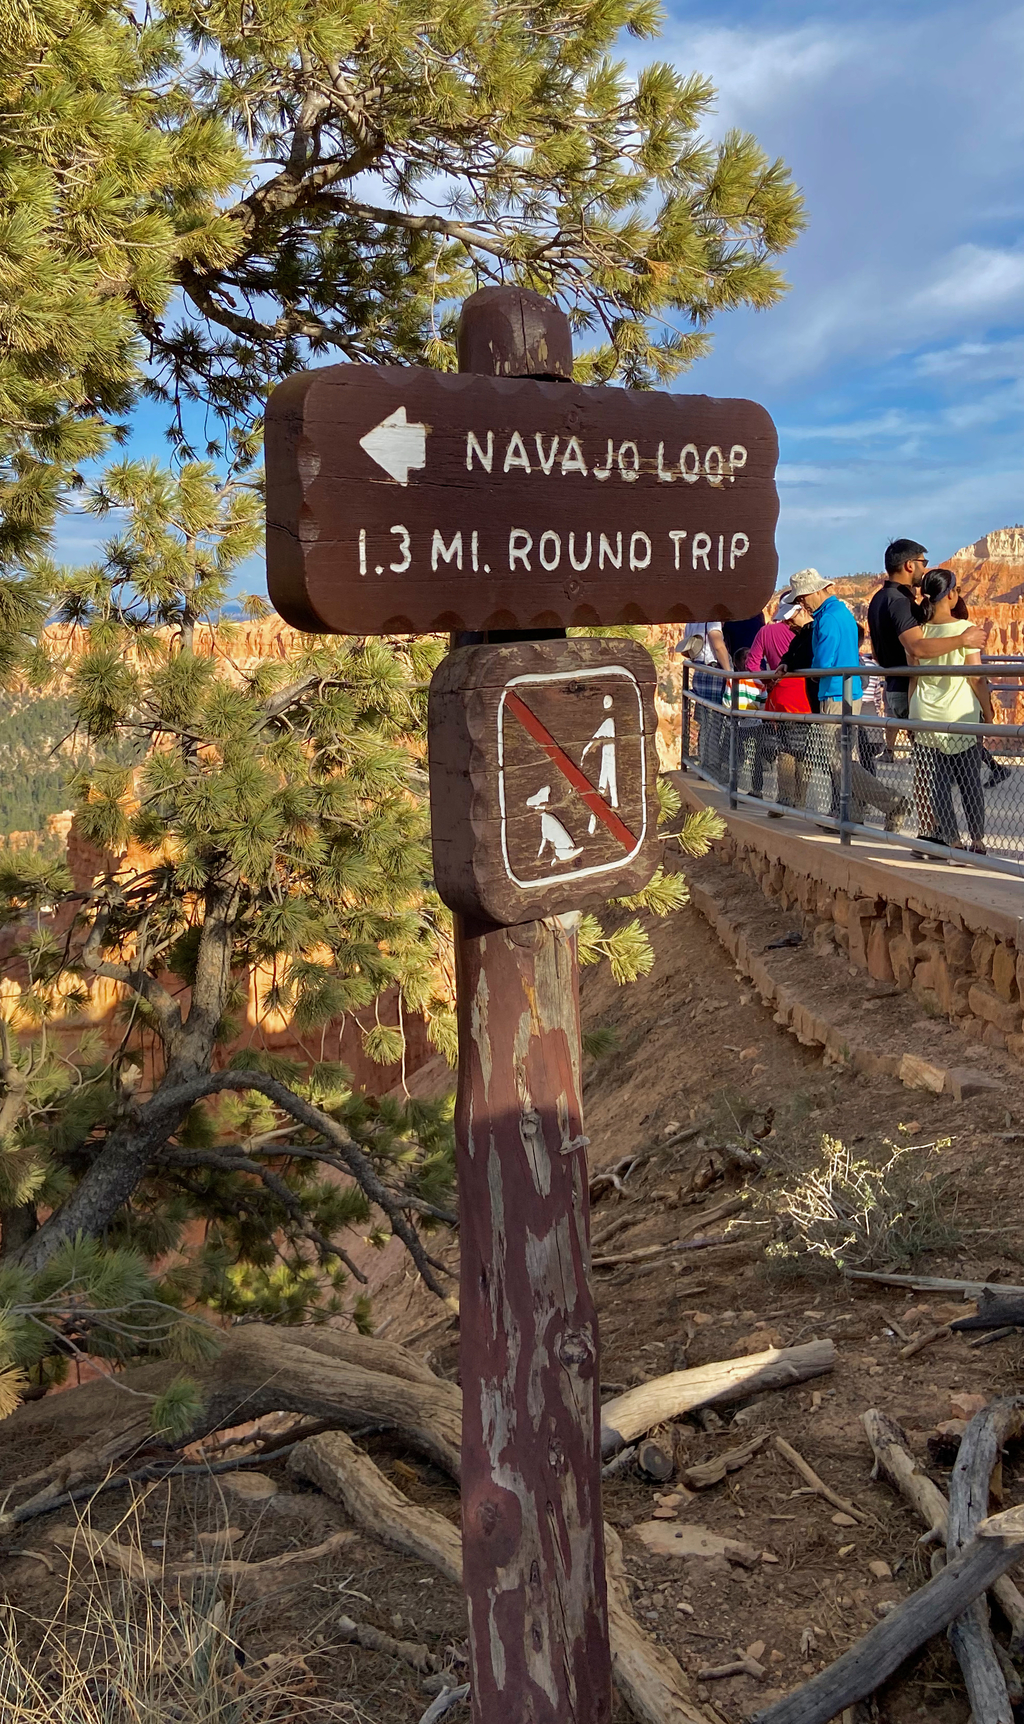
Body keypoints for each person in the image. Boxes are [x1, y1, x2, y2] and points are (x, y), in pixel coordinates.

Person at [788, 568, 910, 830]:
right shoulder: (839, 613)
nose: (802, 604)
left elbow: (823, 662)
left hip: (834, 693)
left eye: (802, 598)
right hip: (847, 691)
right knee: (845, 757)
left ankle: (893, 802)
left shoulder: (828, 619)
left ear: (816, 591)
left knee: (837, 761)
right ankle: (851, 813)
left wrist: (809, 673)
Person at [867, 538, 987, 741]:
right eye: (924, 562)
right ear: (910, 565)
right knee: (930, 758)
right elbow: (917, 648)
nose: (925, 569)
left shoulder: (878, 599)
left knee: (927, 758)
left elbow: (877, 653)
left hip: (893, 686)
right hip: (909, 690)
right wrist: (963, 640)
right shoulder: (900, 602)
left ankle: (993, 767)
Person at [909, 568, 993, 859]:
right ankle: (978, 841)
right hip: (960, 717)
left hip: (924, 715)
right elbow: (976, 677)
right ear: (953, 593)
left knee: (937, 784)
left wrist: (910, 717)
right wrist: (989, 712)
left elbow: (913, 678)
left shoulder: (919, 633)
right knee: (970, 781)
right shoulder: (965, 630)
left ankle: (952, 841)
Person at [748, 594, 812, 812]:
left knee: (785, 749)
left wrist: (769, 680)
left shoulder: (766, 632)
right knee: (803, 750)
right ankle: (800, 801)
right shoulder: (808, 631)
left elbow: (752, 664)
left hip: (779, 697)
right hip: (807, 696)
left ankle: (785, 798)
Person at [677, 620, 730, 778]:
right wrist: (729, 673)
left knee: (706, 723)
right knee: (714, 722)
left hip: (699, 670)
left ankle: (704, 763)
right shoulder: (712, 621)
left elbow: (686, 650)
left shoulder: (692, 621)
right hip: (713, 671)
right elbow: (718, 645)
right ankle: (711, 766)